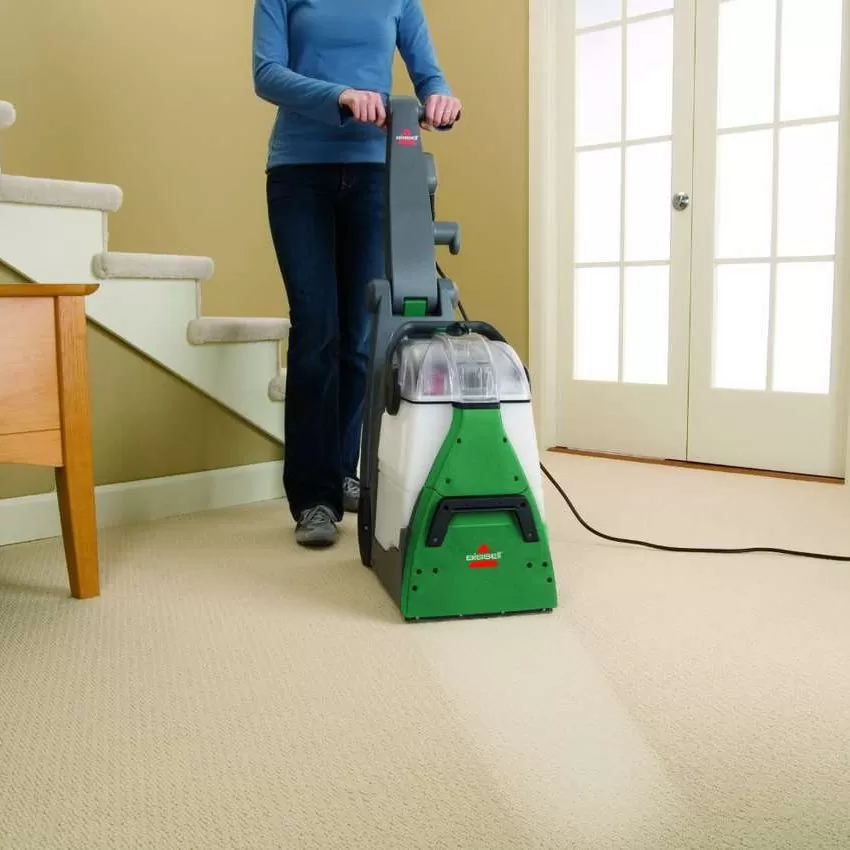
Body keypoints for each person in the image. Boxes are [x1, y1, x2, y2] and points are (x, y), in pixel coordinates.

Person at [252, 0, 461, 548]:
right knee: (316, 328)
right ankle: (313, 499)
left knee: (363, 336)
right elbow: (266, 73)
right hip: (299, 173)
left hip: (376, 174)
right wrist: (340, 95)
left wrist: (441, 96)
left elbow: (429, 74)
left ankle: (344, 469)